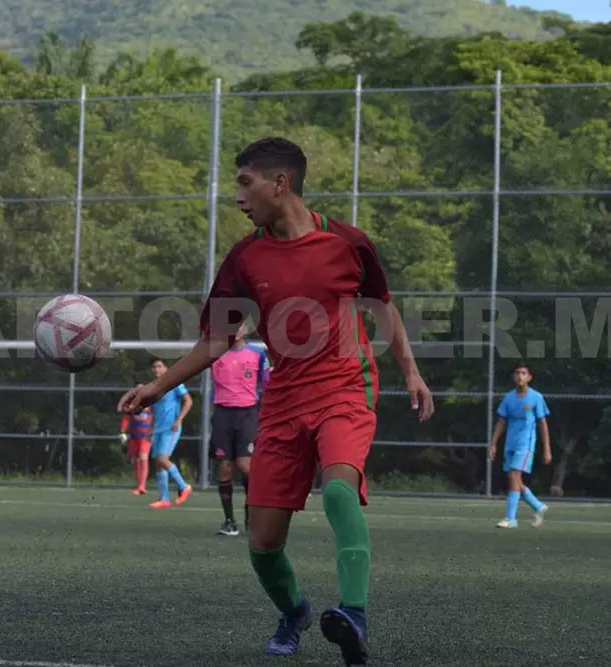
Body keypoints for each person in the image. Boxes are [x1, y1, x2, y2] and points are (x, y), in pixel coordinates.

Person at [119, 137, 434, 666]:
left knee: (339, 491)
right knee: (262, 543)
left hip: (345, 387)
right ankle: (295, 612)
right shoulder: (244, 258)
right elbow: (216, 340)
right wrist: (158, 386)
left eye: (246, 183)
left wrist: (411, 371)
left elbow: (383, 307)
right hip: (284, 401)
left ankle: (354, 615)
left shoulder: (348, 242)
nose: (238, 196)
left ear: (280, 183)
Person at [210, 321, 270, 536]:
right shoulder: (214, 353)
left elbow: (267, 384)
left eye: (239, 325)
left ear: (245, 329)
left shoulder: (257, 353)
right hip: (222, 413)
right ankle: (229, 521)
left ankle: (250, 511)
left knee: (246, 466)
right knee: (224, 466)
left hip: (247, 414)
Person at [487, 362, 552, 528]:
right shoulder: (509, 398)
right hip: (510, 444)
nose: (520, 376)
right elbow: (501, 421)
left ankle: (511, 519)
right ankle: (538, 506)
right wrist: (493, 444)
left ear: (529, 377)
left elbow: (542, 424)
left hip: (526, 444)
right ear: (513, 377)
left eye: (523, 373)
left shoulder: (536, 397)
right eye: (517, 373)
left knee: (514, 475)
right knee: (514, 478)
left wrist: (547, 448)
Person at [147, 357, 193, 509]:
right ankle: (164, 499)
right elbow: (154, 410)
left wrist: (179, 420)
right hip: (158, 429)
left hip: (170, 428)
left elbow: (188, 401)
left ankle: (183, 486)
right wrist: (151, 429)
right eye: (154, 367)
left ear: (166, 368)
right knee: (158, 463)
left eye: (160, 366)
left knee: (162, 459)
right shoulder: (153, 387)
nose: (157, 369)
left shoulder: (174, 382)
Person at [120, 405, 153, 495]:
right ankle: (139, 485)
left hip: (146, 436)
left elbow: (155, 417)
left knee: (143, 458)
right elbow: (126, 417)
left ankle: (142, 486)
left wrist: (153, 431)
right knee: (135, 460)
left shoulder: (151, 403)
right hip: (134, 436)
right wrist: (123, 431)